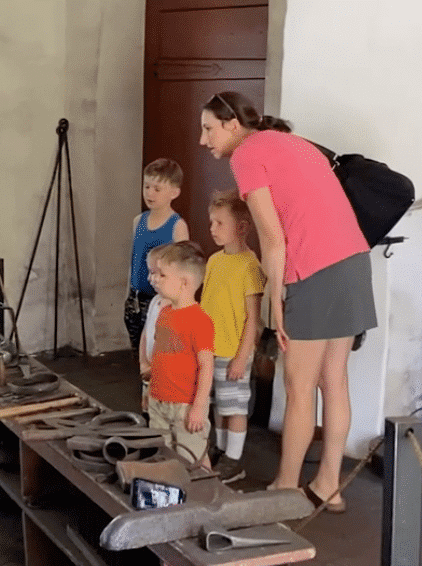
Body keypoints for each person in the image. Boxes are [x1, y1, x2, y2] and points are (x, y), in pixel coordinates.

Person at [199, 91, 376, 512]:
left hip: (313, 271)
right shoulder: (293, 142)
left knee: (299, 388)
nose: (203, 139)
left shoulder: (247, 154)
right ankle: (329, 484)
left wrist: (274, 301)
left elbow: (274, 240)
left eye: (207, 128)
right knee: (335, 381)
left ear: (230, 124)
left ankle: (285, 487)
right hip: (354, 261)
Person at [199, 193, 264, 483]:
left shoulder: (249, 265)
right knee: (217, 405)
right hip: (209, 350)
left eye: (219, 222)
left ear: (241, 227)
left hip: (233, 350)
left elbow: (253, 317)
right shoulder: (213, 261)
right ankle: (221, 450)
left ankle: (235, 461)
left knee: (234, 406)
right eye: (211, 221)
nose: (212, 227)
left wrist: (241, 356)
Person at [146, 241, 215, 469]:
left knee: (193, 457)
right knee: (163, 455)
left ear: (184, 283)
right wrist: (150, 390)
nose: (157, 279)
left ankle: (208, 495)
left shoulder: (200, 321)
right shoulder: (164, 313)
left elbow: (206, 366)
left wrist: (198, 407)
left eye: (163, 275)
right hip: (159, 400)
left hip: (185, 405)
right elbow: (159, 354)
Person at [124, 158, 189, 352]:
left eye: (157, 189)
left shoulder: (177, 226)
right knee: (138, 351)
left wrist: (175, 301)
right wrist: (128, 292)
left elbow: (183, 269)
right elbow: (134, 260)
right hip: (135, 298)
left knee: (157, 351)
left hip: (161, 299)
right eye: (147, 186)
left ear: (174, 192)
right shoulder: (138, 221)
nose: (150, 193)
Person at [137, 245, 171, 415]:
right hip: (149, 373)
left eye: (157, 273)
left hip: (165, 378)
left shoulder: (175, 309)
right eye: (150, 272)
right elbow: (146, 333)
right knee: (147, 411)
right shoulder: (155, 301)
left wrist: (156, 369)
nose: (151, 278)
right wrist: (143, 362)